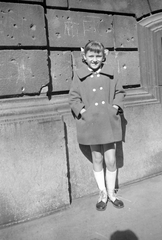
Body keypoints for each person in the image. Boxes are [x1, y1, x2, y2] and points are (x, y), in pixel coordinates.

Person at [69, 40, 125, 211]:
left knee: (111, 159)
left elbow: (120, 92)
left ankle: (112, 193)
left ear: (104, 56)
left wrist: (114, 107)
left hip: (108, 122)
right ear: (84, 56)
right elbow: (73, 98)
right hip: (91, 123)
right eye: (91, 56)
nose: (94, 59)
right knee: (97, 158)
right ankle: (102, 193)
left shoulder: (111, 73)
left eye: (98, 55)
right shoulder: (79, 74)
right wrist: (83, 112)